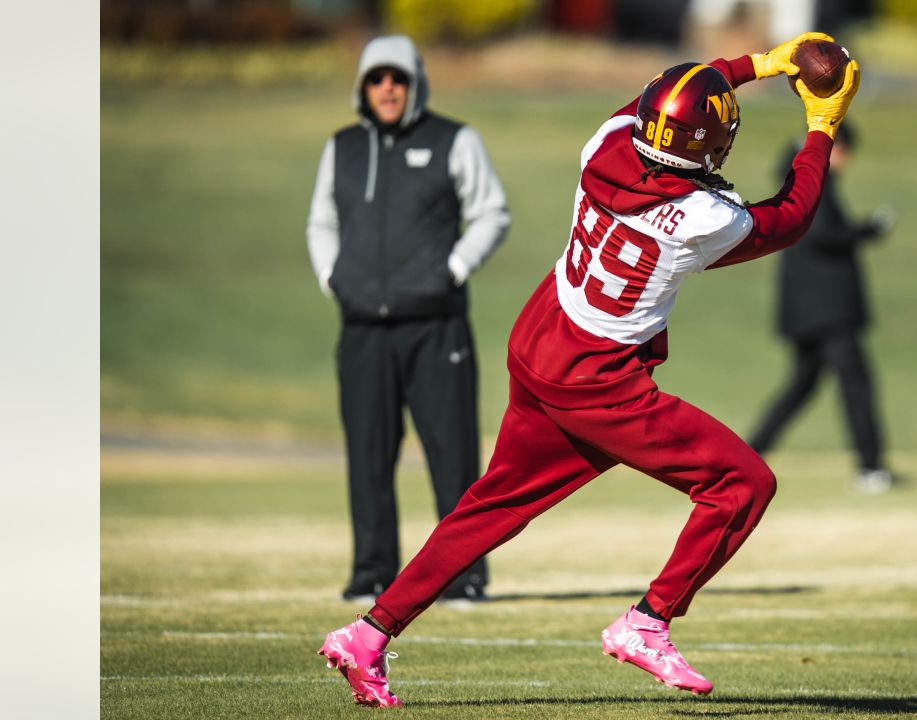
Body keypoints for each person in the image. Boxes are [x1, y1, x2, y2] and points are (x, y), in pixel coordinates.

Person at [317, 32, 860, 707]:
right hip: (599, 380)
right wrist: (821, 123)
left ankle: (368, 635)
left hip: (544, 336)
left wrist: (763, 62)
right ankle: (648, 619)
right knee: (742, 483)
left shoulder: (604, 144)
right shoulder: (701, 216)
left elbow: (663, 96)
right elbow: (790, 216)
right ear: (707, 147)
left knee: (492, 506)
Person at [306, 35, 510, 605]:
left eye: (397, 77)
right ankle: (372, 572)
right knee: (368, 453)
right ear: (363, 87)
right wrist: (333, 277)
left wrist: (452, 268)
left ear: (415, 81)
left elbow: (492, 213)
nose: (387, 88)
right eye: (377, 79)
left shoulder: (454, 139)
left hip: (436, 326)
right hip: (362, 327)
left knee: (452, 453)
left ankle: (463, 576)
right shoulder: (341, 147)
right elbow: (321, 222)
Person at [746, 122, 898, 493]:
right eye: (845, 153)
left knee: (802, 384)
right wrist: (869, 230)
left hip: (808, 308)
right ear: (836, 149)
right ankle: (871, 467)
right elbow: (822, 233)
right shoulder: (808, 179)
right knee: (855, 383)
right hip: (826, 309)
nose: (847, 162)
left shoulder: (801, 176)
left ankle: (748, 456)